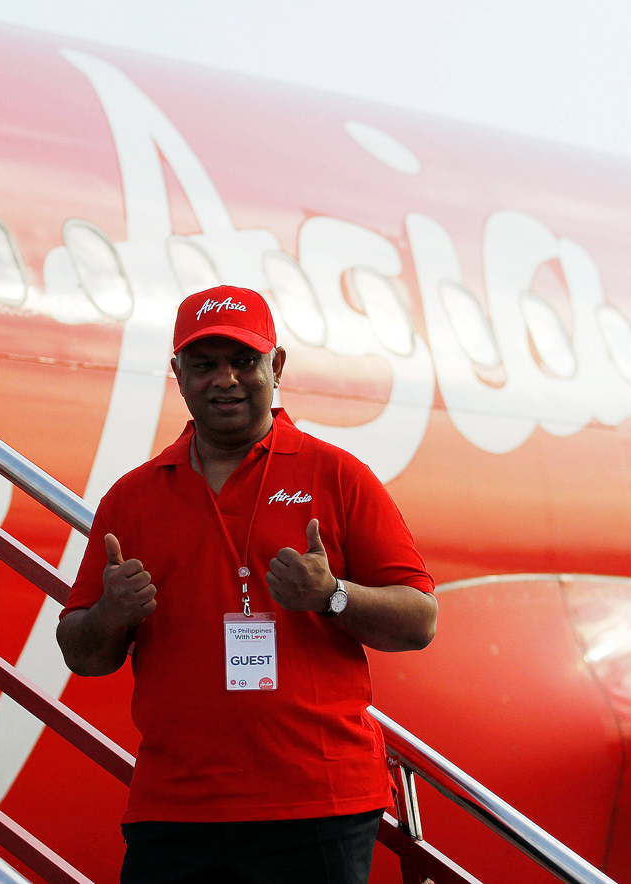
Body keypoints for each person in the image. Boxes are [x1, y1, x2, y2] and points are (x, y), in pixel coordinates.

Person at [56, 285, 437, 884]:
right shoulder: (132, 498)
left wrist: (332, 595)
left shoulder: (338, 475)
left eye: (244, 362)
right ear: (178, 374)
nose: (226, 380)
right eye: (204, 365)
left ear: (276, 366)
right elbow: (81, 654)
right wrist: (111, 612)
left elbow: (420, 621)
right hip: (177, 810)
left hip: (318, 803)